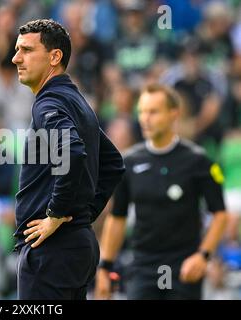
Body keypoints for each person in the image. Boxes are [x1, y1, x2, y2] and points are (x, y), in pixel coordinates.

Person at [12, 19, 125, 300]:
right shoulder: (75, 100)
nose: (16, 58)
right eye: (17, 50)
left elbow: (72, 151)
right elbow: (113, 164)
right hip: (77, 243)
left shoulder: (49, 102)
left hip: (53, 250)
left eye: (26, 50)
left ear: (55, 56)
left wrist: (57, 214)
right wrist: (81, 215)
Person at [94, 84, 228, 300]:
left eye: (153, 112)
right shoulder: (128, 162)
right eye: (142, 112)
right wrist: (105, 267)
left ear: (173, 114)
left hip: (183, 266)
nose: (145, 119)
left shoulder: (198, 161)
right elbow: (117, 217)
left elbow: (220, 214)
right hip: (143, 266)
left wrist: (203, 256)